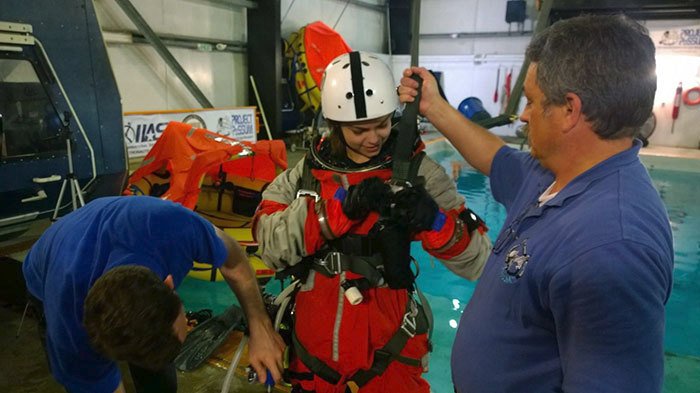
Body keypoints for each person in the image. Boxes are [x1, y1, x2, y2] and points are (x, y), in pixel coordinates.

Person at [398, 14, 674, 393]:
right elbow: (495, 157)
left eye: (531, 101)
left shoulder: (612, 246)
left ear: (570, 110)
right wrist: (434, 106)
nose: (523, 116)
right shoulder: (553, 174)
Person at [253, 51, 491, 393]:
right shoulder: (306, 174)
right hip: (315, 353)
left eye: (381, 124)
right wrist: (338, 210)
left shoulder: (419, 172)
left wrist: (434, 221)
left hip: (390, 350)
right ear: (334, 125)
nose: (374, 138)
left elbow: (480, 261)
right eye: (358, 130)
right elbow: (268, 244)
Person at [22, 196, 285, 393]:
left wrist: (259, 325)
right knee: (89, 377)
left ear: (168, 283)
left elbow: (234, 261)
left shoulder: (173, 227)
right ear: (170, 282)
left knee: (158, 376)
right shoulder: (69, 327)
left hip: (126, 224)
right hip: (48, 264)